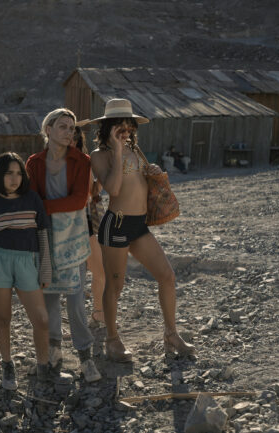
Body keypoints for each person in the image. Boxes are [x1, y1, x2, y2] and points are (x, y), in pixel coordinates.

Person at [88, 99, 196, 362]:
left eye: (129, 127)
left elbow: (138, 184)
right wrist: (116, 151)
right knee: (115, 285)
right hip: (116, 223)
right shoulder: (99, 155)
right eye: (120, 127)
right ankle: (112, 340)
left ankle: (171, 334)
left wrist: (153, 172)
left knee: (167, 276)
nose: (125, 131)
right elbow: (113, 189)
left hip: (138, 224)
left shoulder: (135, 150)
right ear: (108, 128)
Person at [25, 108, 102, 383]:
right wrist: (45, 209)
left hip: (73, 238)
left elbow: (79, 200)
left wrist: (44, 208)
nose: (69, 132)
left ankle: (85, 357)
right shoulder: (34, 163)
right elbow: (31, 199)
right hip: (45, 238)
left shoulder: (82, 161)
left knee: (76, 300)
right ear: (48, 130)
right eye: (63, 126)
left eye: (71, 128)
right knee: (49, 298)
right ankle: (54, 351)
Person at [0, 152, 61, 390]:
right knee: (3, 318)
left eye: (18, 173)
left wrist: (45, 269)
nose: (14, 179)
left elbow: (43, 235)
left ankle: (42, 367)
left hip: (27, 263)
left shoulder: (32, 199)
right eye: (8, 173)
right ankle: (7, 365)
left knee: (41, 320)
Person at [73, 125, 106, 326]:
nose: (70, 139)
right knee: (74, 277)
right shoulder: (50, 162)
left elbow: (91, 193)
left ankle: (98, 313)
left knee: (99, 271)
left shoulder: (85, 161)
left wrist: (101, 175)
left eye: (75, 136)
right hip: (63, 222)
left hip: (86, 220)